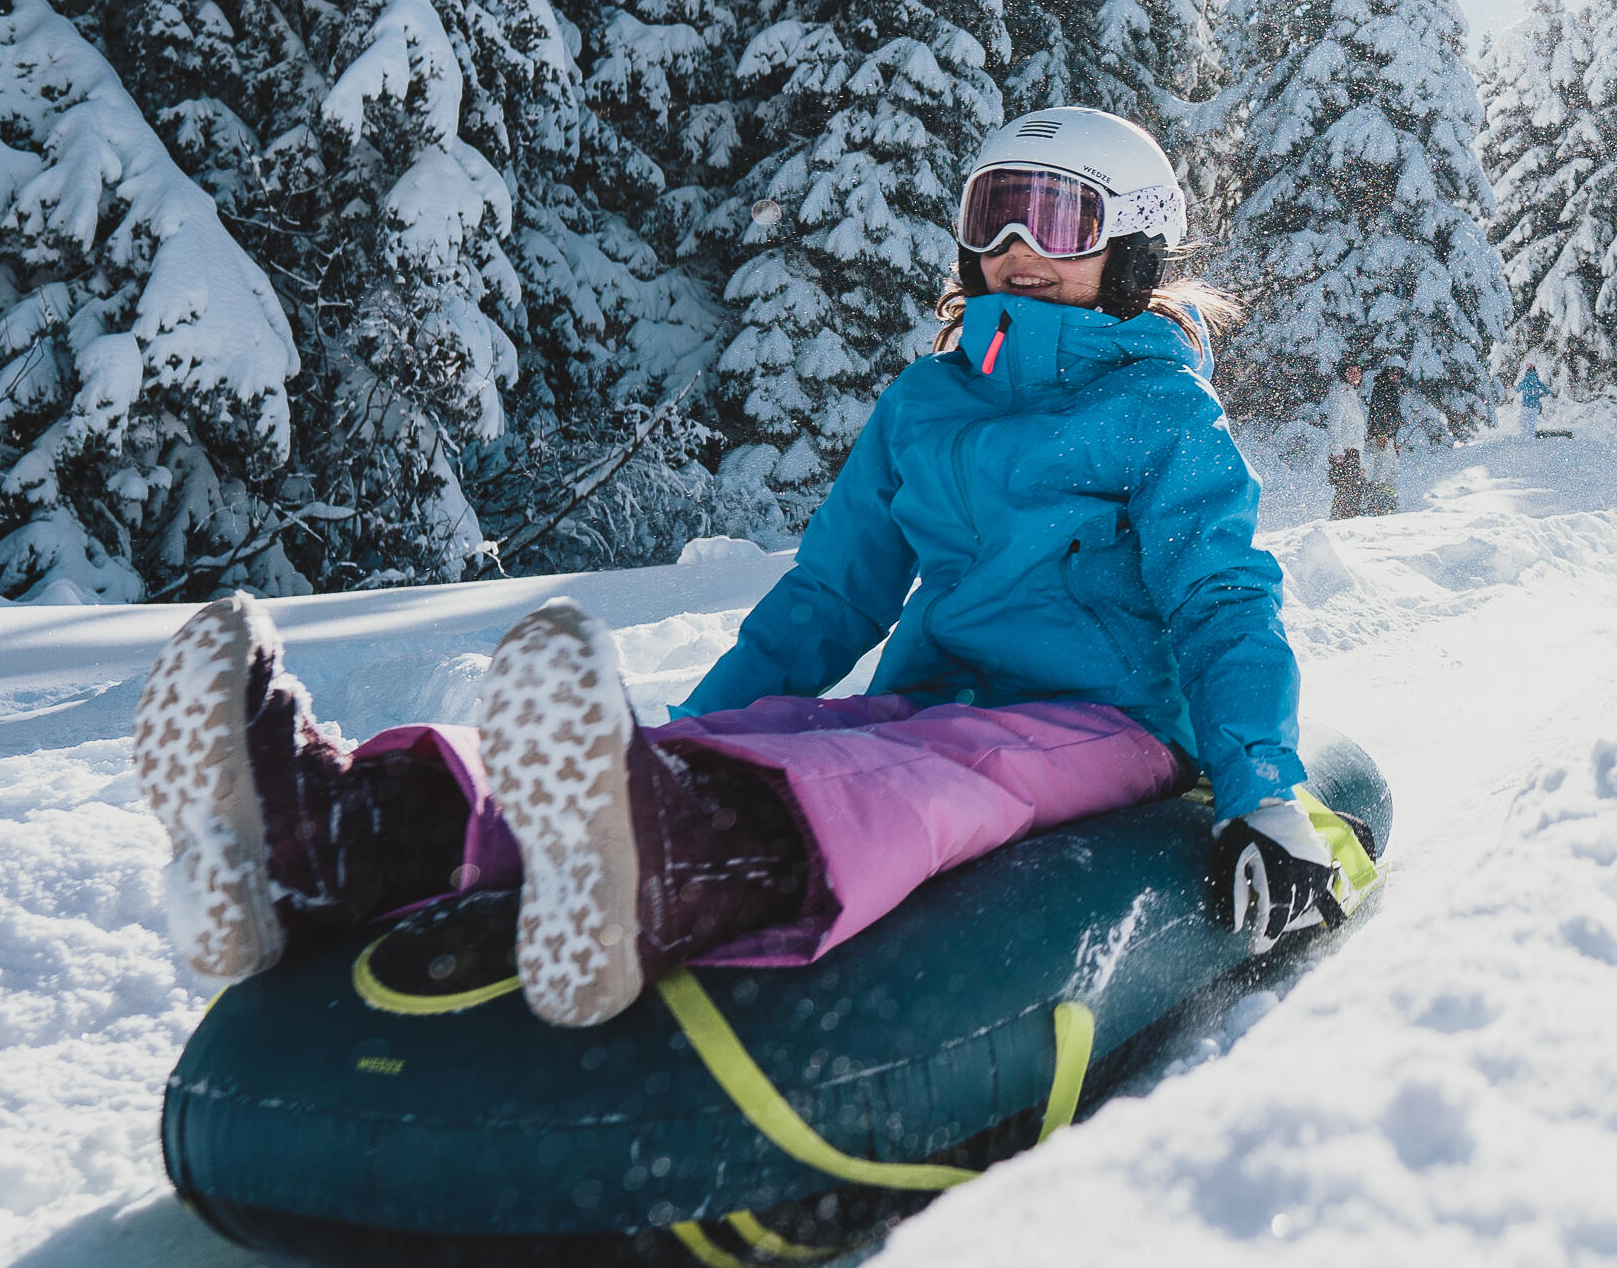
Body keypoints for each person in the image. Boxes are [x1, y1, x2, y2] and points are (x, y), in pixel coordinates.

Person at [122, 107, 1355, 1027]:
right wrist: (677, 741)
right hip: (936, 694)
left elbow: (1220, 598)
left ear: (1133, 252)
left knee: (931, 770)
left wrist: (1256, 782)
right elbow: (833, 596)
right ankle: (329, 835)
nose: (1021, 245)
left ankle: (664, 861)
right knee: (844, 734)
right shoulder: (927, 406)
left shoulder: (1162, 414)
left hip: (1110, 723)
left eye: (1063, 217)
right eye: (995, 213)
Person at [1322, 359, 1368, 519]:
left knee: (1355, 489)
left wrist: (1361, 461)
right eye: (1351, 372)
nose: (1356, 375)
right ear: (1344, 373)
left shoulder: (1353, 395)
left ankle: (1349, 520)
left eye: (1358, 372)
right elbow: (1334, 426)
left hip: (1354, 452)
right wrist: (1337, 452)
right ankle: (1338, 520)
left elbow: (1357, 432)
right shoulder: (1339, 395)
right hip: (1344, 452)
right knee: (1345, 489)